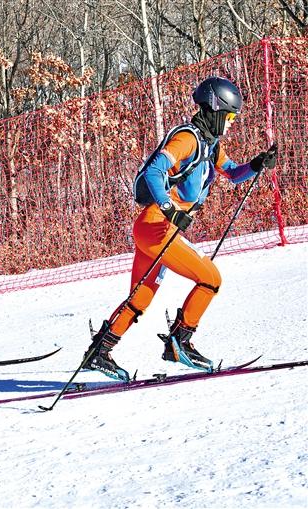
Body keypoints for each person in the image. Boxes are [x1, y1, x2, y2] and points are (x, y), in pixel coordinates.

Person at [84, 76, 278, 381]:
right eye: (229, 117)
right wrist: (169, 209)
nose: (230, 124)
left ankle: (99, 352)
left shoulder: (210, 146)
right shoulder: (188, 139)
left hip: (156, 228)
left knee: (141, 296)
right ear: (214, 109)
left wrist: (256, 165)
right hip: (157, 227)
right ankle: (180, 343)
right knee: (210, 278)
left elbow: (232, 173)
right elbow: (154, 172)